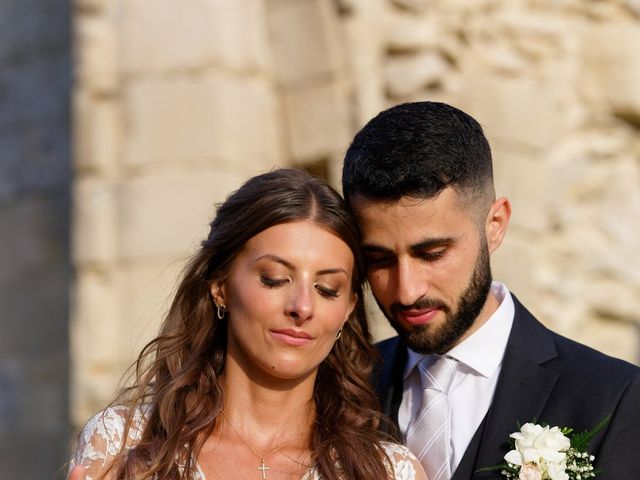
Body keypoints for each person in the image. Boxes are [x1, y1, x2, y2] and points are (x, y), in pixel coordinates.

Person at [341, 101, 640, 480]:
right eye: (379, 259)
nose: (407, 290)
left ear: (495, 225)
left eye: (431, 253)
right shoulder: (341, 386)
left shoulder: (613, 399)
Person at [68, 168, 428, 480]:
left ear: (348, 308)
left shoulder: (389, 471)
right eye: (273, 279)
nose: (302, 306)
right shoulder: (124, 444)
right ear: (220, 286)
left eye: (327, 289)